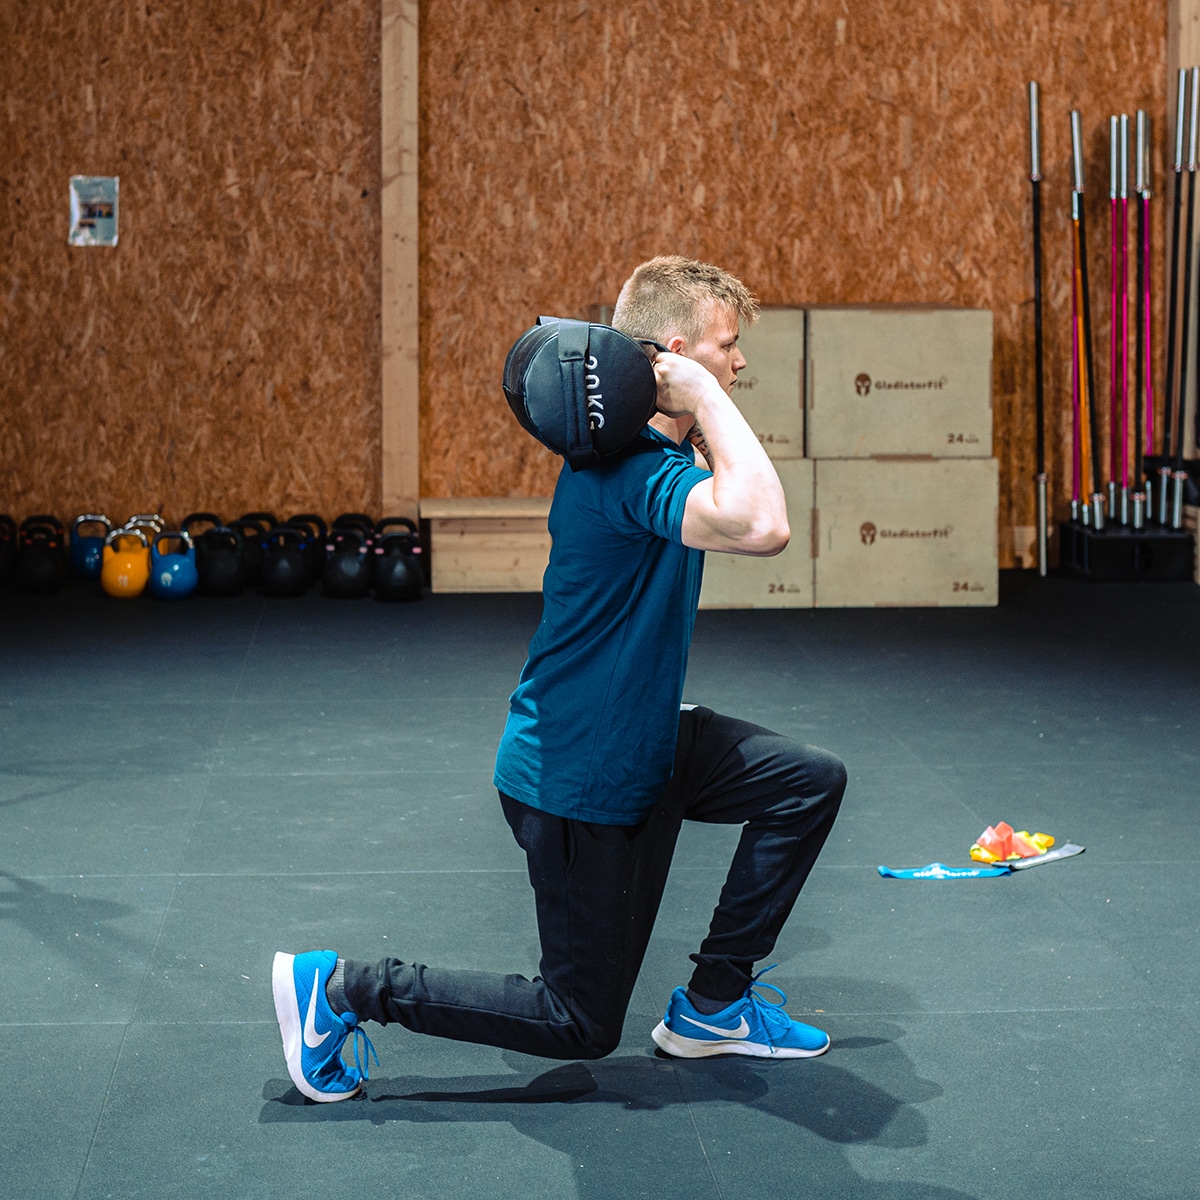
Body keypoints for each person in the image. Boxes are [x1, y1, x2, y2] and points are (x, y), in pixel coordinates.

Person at [272, 256, 847, 1102]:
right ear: (677, 354)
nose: (740, 362)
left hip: (642, 732)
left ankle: (715, 1005)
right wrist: (700, 393)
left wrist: (690, 401)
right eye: (727, 346)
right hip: (582, 773)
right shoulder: (628, 474)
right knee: (577, 1022)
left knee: (807, 782)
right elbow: (764, 526)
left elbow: (731, 493)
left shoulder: (651, 457)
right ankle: (343, 988)